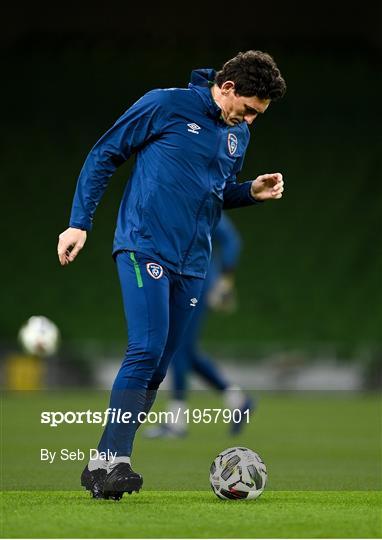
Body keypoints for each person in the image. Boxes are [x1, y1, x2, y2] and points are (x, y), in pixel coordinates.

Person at [57, 50, 286, 500]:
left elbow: (215, 195)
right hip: (143, 245)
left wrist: (250, 193)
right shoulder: (165, 104)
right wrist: (79, 221)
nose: (251, 120)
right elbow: (105, 153)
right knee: (144, 349)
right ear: (227, 88)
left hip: (193, 263)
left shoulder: (237, 136)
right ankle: (119, 462)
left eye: (259, 116)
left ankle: (102, 463)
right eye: (249, 109)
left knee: (159, 368)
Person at [144, 212, 253, 439]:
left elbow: (232, 240)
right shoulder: (173, 199)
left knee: (178, 349)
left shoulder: (201, 200)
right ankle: (238, 401)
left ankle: (176, 422)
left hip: (198, 282)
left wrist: (225, 282)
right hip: (179, 279)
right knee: (186, 352)